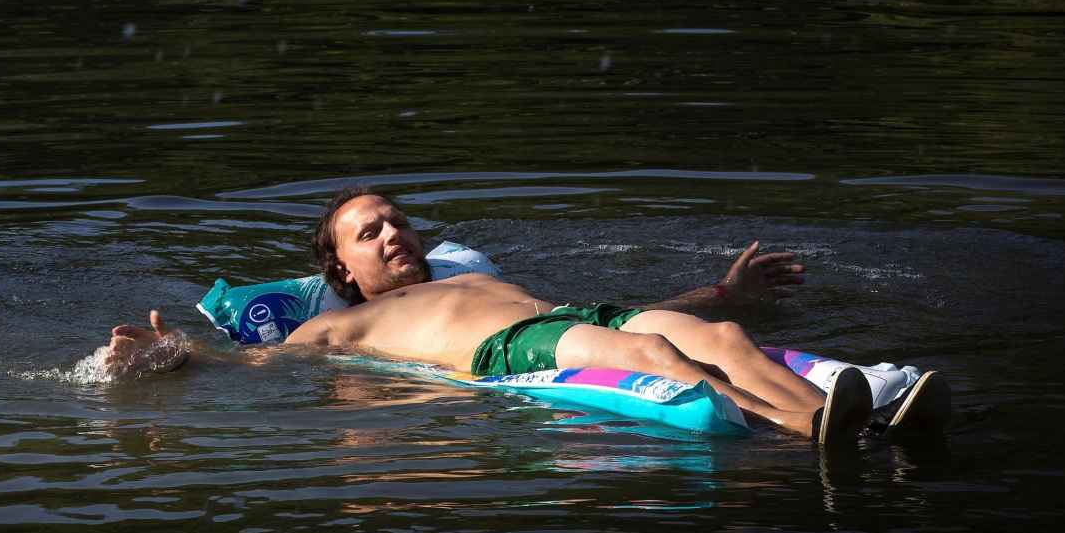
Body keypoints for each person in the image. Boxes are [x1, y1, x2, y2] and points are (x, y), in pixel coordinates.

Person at [102, 185, 881, 445]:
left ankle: (858, 421)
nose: (392, 234)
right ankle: (809, 434)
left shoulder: (468, 272)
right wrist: (174, 353)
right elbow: (255, 367)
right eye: (368, 232)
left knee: (721, 340)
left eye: (397, 220)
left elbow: (607, 321)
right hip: (510, 346)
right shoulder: (333, 325)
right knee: (660, 357)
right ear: (342, 268)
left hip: (566, 314)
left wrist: (721, 294)